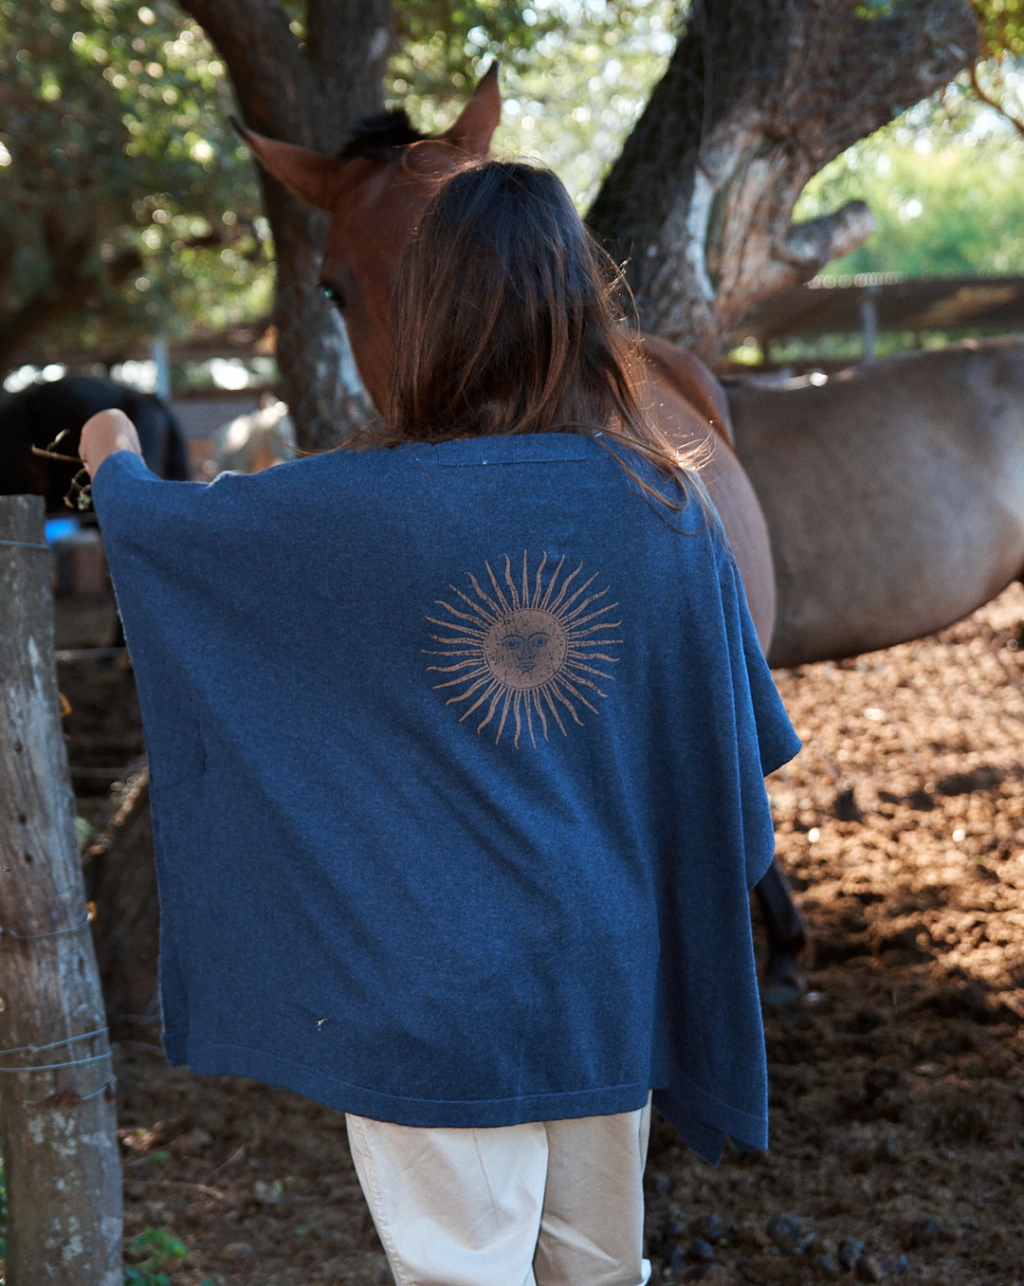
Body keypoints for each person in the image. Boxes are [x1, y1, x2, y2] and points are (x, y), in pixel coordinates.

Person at [81, 161, 799, 1286]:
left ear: (426, 316)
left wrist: (110, 453)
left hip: (429, 991)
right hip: (606, 977)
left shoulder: (351, 509)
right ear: (579, 310)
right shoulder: (667, 505)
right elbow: (727, 757)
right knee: (602, 1273)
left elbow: (166, 540)